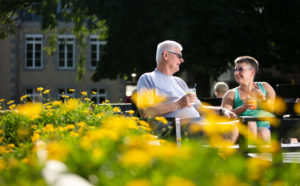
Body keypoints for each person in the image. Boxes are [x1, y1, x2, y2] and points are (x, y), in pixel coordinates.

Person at [136, 40, 238, 142]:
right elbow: (145, 111)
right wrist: (178, 104)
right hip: (176, 129)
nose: (182, 60)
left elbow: (199, 108)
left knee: (236, 125)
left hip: (195, 124)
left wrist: (221, 110)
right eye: (179, 56)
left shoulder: (180, 82)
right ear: (166, 55)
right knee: (230, 130)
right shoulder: (148, 78)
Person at [221, 56, 276, 143]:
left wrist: (263, 99)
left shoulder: (265, 87)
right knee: (253, 124)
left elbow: (274, 109)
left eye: (240, 69)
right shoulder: (231, 93)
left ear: (252, 72)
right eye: (235, 70)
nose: (236, 73)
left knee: (263, 132)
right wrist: (243, 107)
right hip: (244, 127)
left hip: (268, 126)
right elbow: (225, 115)